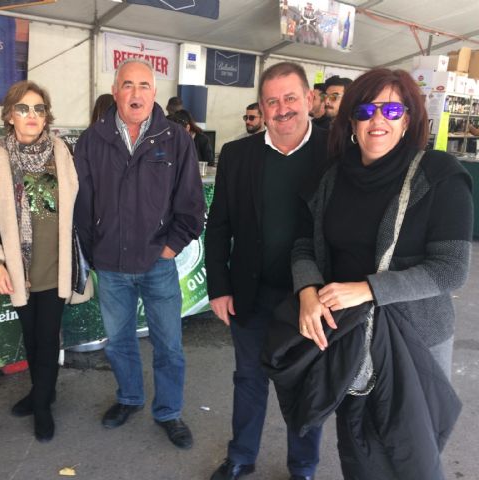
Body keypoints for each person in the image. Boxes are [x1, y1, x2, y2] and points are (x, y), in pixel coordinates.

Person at [292, 68, 472, 478]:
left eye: (392, 110)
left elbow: (451, 270)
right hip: (349, 332)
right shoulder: (332, 176)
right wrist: (307, 290)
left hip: (416, 339)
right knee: (357, 444)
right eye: (366, 110)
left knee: (414, 454)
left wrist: (368, 289)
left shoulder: (439, 174)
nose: (378, 120)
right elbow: (304, 245)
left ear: (408, 120)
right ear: (351, 121)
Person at [205, 61, 329, 480]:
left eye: (290, 98)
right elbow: (218, 226)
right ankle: (241, 456)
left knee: (307, 383)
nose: (282, 109)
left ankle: (304, 466)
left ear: (309, 99)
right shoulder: (237, 154)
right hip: (250, 293)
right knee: (248, 379)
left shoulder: (336, 152)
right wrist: (218, 287)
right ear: (261, 107)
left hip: (311, 297)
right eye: (272, 101)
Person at [74, 58, 205, 450]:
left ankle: (168, 411)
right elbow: (82, 204)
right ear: (115, 92)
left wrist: (170, 247)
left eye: (144, 85)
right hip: (111, 265)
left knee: (169, 346)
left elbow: (191, 204)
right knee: (118, 342)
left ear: (154, 92)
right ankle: (129, 397)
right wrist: (93, 252)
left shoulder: (176, 139)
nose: (136, 93)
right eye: (128, 85)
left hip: (157, 264)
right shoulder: (92, 140)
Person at [0, 80, 88, 442]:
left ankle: (41, 406)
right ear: (10, 115)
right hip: (19, 268)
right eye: (23, 108)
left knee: (47, 337)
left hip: (56, 264)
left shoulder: (63, 152)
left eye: (39, 109)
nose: (32, 115)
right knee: (31, 336)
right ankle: (43, 392)